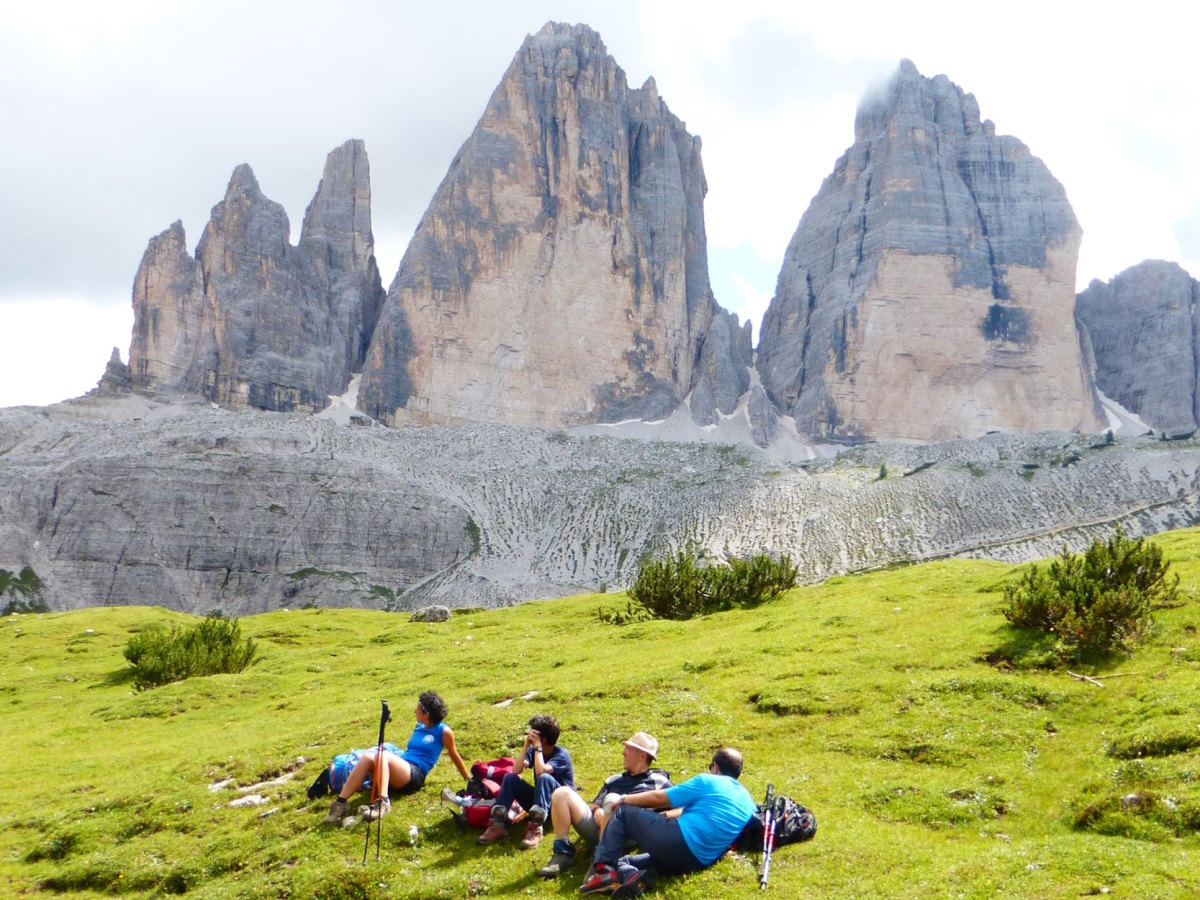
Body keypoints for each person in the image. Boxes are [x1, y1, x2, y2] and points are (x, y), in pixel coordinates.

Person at [578, 747, 757, 895]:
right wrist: (661, 819)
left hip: (678, 841)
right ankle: (634, 876)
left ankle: (602, 872)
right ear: (738, 774)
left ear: (715, 767)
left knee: (623, 813)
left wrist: (623, 799)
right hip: (698, 860)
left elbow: (660, 798)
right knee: (625, 861)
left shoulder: (708, 781)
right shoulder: (748, 801)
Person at [537, 731, 672, 878]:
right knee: (561, 792)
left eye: (628, 749)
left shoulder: (659, 782)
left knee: (613, 798)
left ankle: (601, 862)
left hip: (629, 833)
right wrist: (598, 811)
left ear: (642, 755)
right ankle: (563, 854)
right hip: (599, 826)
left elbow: (679, 807)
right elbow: (593, 805)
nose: (623, 753)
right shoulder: (614, 780)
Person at [323, 691, 469, 823]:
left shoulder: (444, 731)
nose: (415, 711)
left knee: (382, 755)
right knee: (368, 757)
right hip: (400, 769)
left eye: (418, 708)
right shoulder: (419, 727)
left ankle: (383, 803)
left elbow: (454, 755)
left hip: (414, 774)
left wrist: (468, 779)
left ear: (427, 714)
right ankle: (340, 804)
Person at [477, 714, 575, 849]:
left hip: (560, 807)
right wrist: (526, 746)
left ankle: (536, 828)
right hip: (541, 801)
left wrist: (538, 748)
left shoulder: (561, 755)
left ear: (543, 739)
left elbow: (542, 771)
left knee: (545, 778)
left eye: (533, 733)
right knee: (510, 778)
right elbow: (516, 770)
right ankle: (497, 824)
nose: (530, 735)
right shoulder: (534, 750)